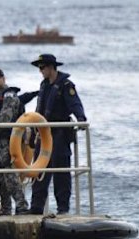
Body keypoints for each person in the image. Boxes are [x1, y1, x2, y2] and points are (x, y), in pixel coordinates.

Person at [29, 54, 87, 215]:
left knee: (61, 171)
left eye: (42, 68)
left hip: (59, 132)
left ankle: (63, 208)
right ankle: (36, 207)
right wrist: (33, 131)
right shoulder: (44, 85)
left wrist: (81, 118)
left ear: (51, 67)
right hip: (43, 132)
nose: (40, 71)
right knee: (39, 170)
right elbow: (39, 109)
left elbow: (75, 103)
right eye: (39, 68)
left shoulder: (66, 85)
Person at [0, 68, 29, 216]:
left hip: (8, 139)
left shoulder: (9, 95)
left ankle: (21, 205)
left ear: (3, 78)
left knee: (9, 174)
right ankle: (6, 208)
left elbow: (6, 117)